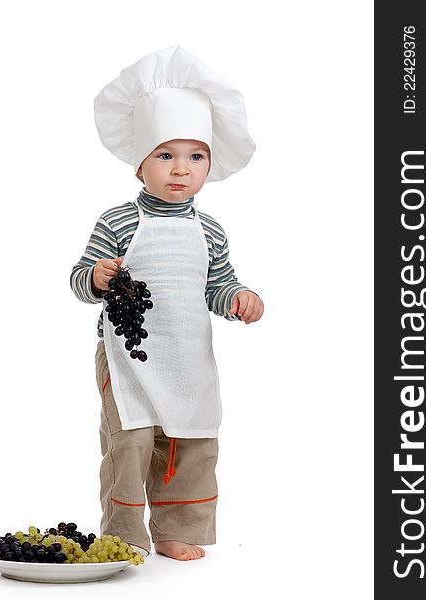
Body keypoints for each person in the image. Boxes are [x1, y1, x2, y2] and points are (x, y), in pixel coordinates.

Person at [70, 45, 264, 561]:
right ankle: (124, 534)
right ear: (140, 165)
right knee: (130, 443)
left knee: (191, 442)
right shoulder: (118, 222)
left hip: (187, 357)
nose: (181, 169)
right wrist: (96, 275)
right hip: (126, 357)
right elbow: (77, 280)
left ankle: (180, 529)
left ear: (209, 164)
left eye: (195, 157)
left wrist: (239, 298)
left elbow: (217, 285)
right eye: (165, 155)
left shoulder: (211, 230)